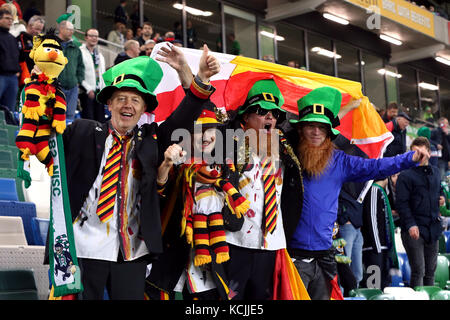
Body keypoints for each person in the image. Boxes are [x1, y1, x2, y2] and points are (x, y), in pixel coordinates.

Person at [46, 43, 221, 300]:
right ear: (109, 104)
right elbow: (46, 134)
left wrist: (201, 77)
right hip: (83, 247)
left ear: (142, 109)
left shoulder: (151, 139)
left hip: (131, 253)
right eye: (121, 98)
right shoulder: (82, 130)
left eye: (135, 100)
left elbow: (185, 115)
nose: (128, 105)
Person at [285, 86, 428, 300]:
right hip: (292, 258)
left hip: (325, 260)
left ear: (328, 133)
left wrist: (410, 158)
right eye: (310, 126)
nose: (316, 132)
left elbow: (377, 167)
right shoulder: (286, 156)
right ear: (300, 129)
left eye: (322, 128)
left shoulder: (339, 162)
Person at [222, 79, 305, 300]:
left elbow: (312, 129)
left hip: (271, 244)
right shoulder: (231, 143)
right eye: (261, 111)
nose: (270, 117)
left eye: (274, 113)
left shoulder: (285, 149)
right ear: (245, 117)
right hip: (235, 241)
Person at [396, 137, 443, 288]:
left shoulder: (435, 172)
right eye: (415, 152)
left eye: (422, 152)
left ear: (429, 153)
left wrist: (442, 197)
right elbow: (401, 204)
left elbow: (439, 190)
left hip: (433, 228)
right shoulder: (405, 175)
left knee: (431, 271)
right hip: (414, 229)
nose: (419, 155)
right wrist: (410, 225)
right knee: (419, 270)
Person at [361, 177, 398, 290]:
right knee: (373, 287)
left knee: (382, 286)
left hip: (382, 247)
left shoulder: (380, 191)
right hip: (374, 248)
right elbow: (372, 218)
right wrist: (376, 245)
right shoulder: (374, 190)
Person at [57, 20, 84, 123]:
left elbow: (81, 66)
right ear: (61, 29)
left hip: (73, 87)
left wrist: (78, 81)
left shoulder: (75, 48)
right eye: (69, 29)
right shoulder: (53, 45)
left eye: (72, 30)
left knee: (70, 116)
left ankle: (68, 138)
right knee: (58, 114)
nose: (71, 32)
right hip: (57, 86)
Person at [79, 28, 106, 122]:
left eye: (96, 36)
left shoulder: (99, 54)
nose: (94, 38)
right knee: (89, 120)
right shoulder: (80, 52)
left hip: (99, 92)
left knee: (100, 121)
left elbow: (103, 74)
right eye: (91, 36)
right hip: (86, 92)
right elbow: (79, 73)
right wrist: (87, 89)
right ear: (86, 37)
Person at [0, 7, 20, 111]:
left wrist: (17, 71)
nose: (10, 21)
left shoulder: (12, 38)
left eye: (11, 19)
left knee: (9, 111)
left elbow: (17, 56)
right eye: (7, 18)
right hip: (1, 76)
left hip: (12, 78)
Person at [16, 15, 44, 85]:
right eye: (37, 29)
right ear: (30, 25)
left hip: (35, 75)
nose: (38, 32)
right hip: (23, 75)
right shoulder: (21, 37)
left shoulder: (39, 40)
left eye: (40, 30)